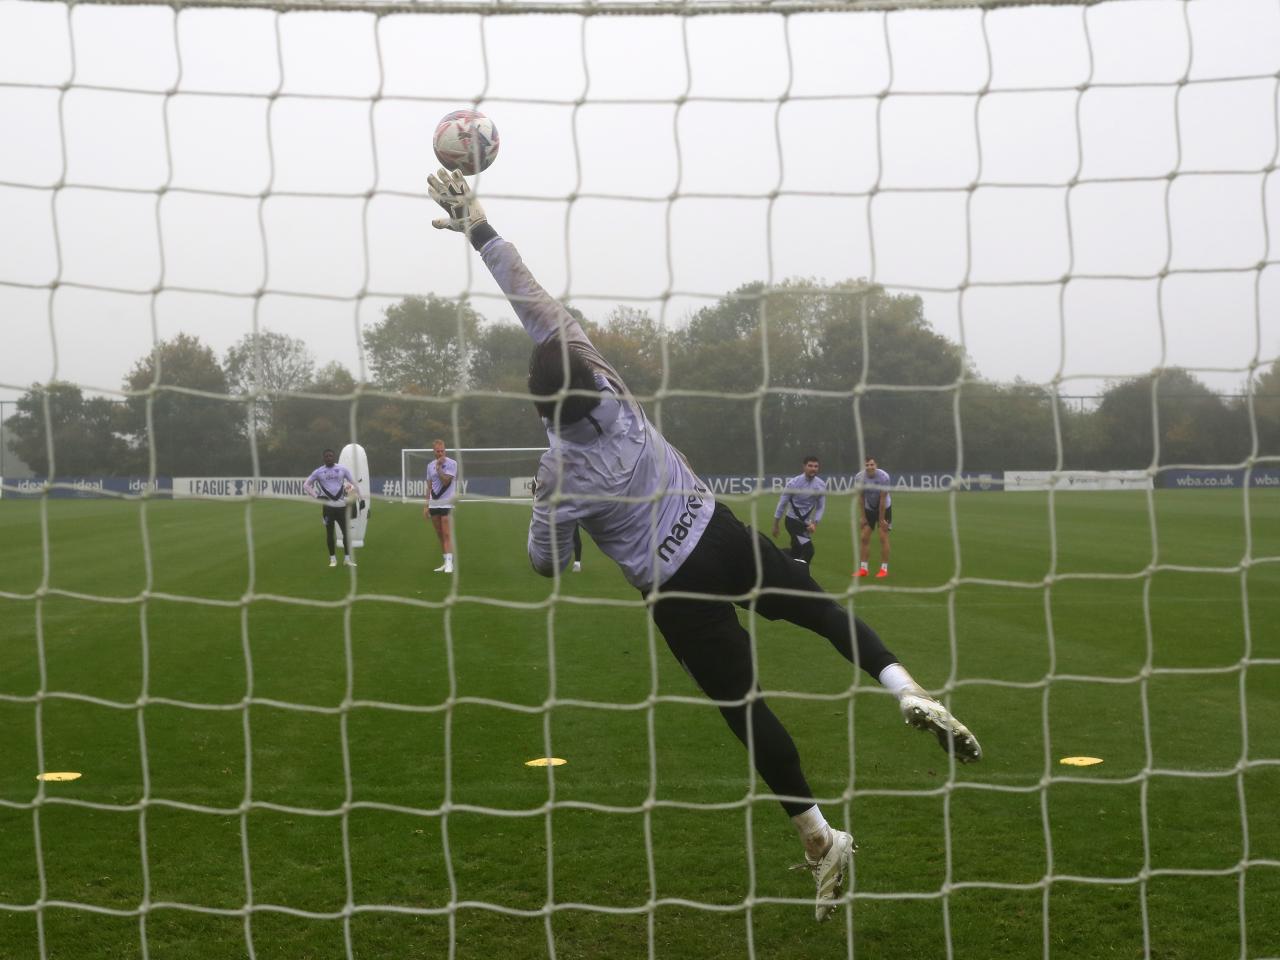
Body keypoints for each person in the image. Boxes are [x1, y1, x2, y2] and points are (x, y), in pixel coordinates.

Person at [427, 168, 981, 922]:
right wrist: (481, 228)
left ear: (539, 402)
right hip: (718, 532)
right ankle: (904, 686)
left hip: (676, 593)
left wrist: (554, 519)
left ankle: (820, 838)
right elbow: (531, 298)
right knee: (819, 611)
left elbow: (545, 564)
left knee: (748, 711)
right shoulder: (608, 381)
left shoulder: (558, 471)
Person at [303, 448, 357, 567]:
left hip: (342, 507)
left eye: (330, 456)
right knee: (329, 533)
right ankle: (333, 559)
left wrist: (354, 497)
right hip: (328, 508)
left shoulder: (342, 469)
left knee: (346, 533)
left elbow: (353, 483)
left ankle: (347, 559)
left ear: (334, 457)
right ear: (323, 458)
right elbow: (306, 485)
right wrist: (317, 496)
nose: (329, 458)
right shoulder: (318, 472)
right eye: (326, 456)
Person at [772, 455, 826, 565]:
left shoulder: (821, 485)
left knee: (796, 552)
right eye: (810, 466)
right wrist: (776, 524)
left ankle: (775, 555)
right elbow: (782, 504)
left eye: (816, 466)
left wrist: (815, 523)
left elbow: (820, 507)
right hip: (792, 522)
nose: (813, 469)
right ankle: (802, 573)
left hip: (806, 524)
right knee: (809, 550)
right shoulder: (793, 483)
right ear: (804, 467)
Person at [854, 456, 892, 579]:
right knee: (864, 537)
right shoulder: (859, 477)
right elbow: (861, 497)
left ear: (876, 465)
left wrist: (881, 520)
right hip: (869, 507)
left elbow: (883, 499)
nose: (870, 467)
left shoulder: (884, 477)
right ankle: (863, 569)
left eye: (872, 465)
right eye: (867, 465)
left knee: (883, 537)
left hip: (884, 508)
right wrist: (863, 517)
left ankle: (884, 569)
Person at [425, 439, 457, 573]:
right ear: (434, 451)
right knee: (439, 534)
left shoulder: (452, 463)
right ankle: (445, 561)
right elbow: (429, 486)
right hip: (434, 503)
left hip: (446, 502)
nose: (440, 453)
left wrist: (438, 468)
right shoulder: (429, 466)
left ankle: (450, 563)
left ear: (445, 450)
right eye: (438, 451)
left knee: (446, 533)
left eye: (442, 451)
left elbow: (445, 482)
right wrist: (426, 505)